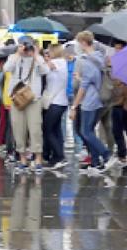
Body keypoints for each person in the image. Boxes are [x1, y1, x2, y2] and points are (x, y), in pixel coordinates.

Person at [69, 32, 112, 174]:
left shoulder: (86, 61)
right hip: (99, 99)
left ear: (83, 43)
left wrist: (74, 106)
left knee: (85, 131)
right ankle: (94, 161)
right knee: (89, 130)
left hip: (89, 101)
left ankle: (106, 154)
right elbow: (94, 81)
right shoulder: (99, 58)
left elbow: (83, 87)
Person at [5, 36, 48, 173]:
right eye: (23, 45)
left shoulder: (37, 58)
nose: (25, 48)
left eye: (28, 45)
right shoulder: (14, 57)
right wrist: (18, 54)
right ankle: (22, 158)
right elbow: (7, 68)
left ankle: (38, 158)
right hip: (17, 98)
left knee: (35, 129)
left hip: (34, 98)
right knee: (18, 129)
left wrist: (36, 55)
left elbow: (45, 71)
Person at [41, 43, 69, 168]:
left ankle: (59, 155)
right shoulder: (63, 63)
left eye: (49, 51)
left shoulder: (57, 63)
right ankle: (57, 155)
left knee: (48, 129)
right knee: (56, 130)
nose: (48, 54)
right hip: (61, 101)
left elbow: (46, 67)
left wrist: (40, 57)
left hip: (55, 102)